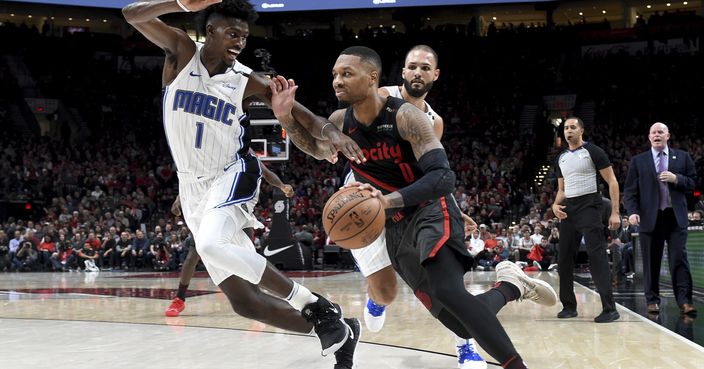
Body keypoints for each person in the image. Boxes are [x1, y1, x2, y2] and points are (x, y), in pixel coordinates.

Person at [269, 45, 558, 369]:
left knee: (448, 290)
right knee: (458, 319)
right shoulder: (341, 120)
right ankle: (510, 286)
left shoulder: (408, 117)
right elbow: (319, 149)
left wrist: (387, 201)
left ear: (372, 79)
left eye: (346, 74)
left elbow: (442, 177)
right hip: (389, 222)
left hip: (429, 210)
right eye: (335, 75)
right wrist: (285, 118)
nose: (337, 81)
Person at [122, 1, 362, 367]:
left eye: (244, 36)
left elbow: (306, 116)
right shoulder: (182, 53)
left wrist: (331, 133)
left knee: (210, 245)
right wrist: (181, 3)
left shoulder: (248, 79)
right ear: (210, 32)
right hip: (192, 189)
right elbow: (131, 13)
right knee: (244, 302)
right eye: (232, 33)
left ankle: (316, 306)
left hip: (232, 173)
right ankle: (342, 328)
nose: (239, 41)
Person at [339, 44, 485, 368]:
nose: (417, 72)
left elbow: (430, 174)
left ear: (435, 75)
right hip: (364, 204)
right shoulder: (375, 97)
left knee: (443, 276)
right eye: (412, 66)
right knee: (386, 291)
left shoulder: (434, 122)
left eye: (424, 67)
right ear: (403, 72)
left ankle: (466, 344)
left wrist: (454, 210)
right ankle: (377, 301)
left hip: (408, 205)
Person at [165, 159, 295, 316]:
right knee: (193, 254)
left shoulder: (246, 155)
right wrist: (181, 198)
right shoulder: (219, 154)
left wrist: (282, 185)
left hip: (241, 211)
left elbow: (267, 174)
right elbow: (199, 180)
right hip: (217, 210)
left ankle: (258, 296)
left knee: (248, 256)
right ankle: (179, 298)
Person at [551, 117, 621, 323]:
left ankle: (610, 309)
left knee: (596, 256)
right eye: (566, 128)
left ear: (581, 130)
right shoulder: (561, 157)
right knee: (563, 258)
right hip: (569, 209)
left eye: (573, 127)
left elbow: (612, 181)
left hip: (590, 205)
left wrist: (615, 212)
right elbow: (562, 189)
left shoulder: (594, 151)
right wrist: (555, 205)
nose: (568, 131)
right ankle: (569, 306)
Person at [623, 122, 697, 316]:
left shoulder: (683, 157)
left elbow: (694, 184)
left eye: (660, 132)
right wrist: (632, 211)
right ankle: (652, 300)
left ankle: (685, 302)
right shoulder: (638, 161)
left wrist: (676, 179)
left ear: (667, 136)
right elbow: (630, 191)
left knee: (679, 260)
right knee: (651, 262)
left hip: (675, 218)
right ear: (649, 137)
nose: (657, 135)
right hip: (649, 217)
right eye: (653, 132)